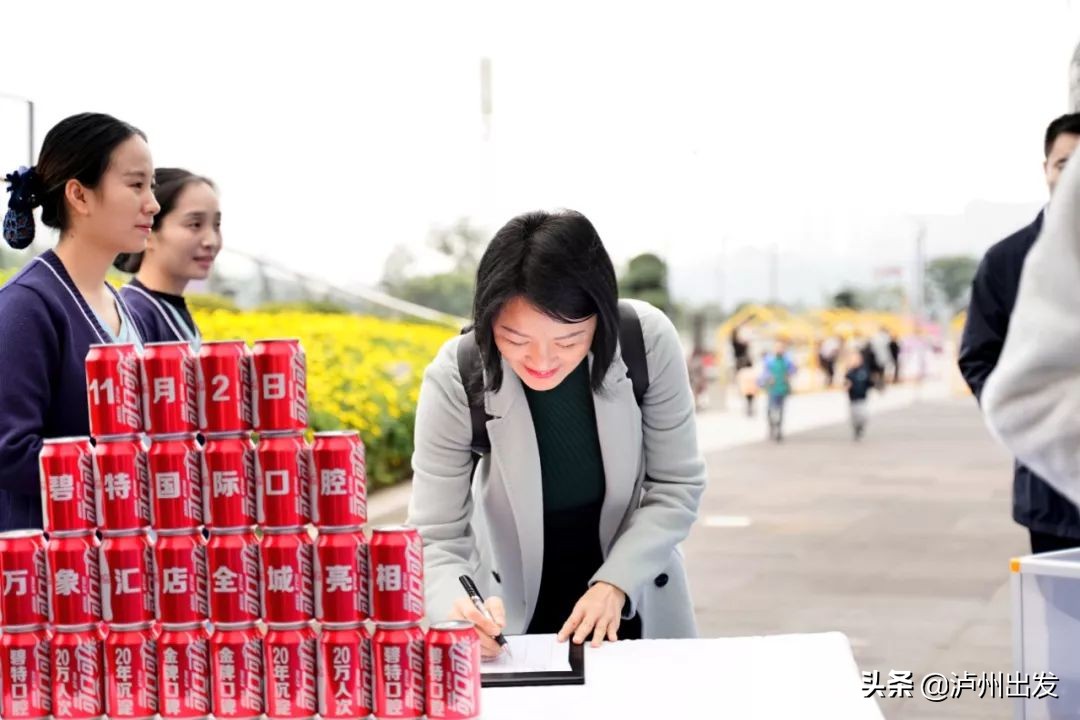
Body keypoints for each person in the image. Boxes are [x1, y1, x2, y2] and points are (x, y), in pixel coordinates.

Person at [407, 210, 707, 657]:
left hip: (633, 593)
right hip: (510, 613)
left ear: (599, 319)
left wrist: (615, 582)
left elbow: (675, 487)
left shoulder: (645, 342)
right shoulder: (457, 375)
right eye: (515, 339)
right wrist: (461, 615)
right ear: (487, 321)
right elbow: (435, 536)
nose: (542, 362)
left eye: (568, 341)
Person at [0, 112, 159, 530]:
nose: (153, 204)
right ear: (80, 195)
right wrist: (132, 472)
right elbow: (10, 451)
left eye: (153, 186)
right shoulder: (27, 307)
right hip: (49, 572)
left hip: (114, 565)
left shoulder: (119, 304)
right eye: (135, 184)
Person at [960, 112, 1080, 554]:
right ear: (1046, 168)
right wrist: (1035, 424)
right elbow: (979, 357)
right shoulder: (1006, 260)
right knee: (1062, 618)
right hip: (1050, 495)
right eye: (1065, 163)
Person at [114, 168, 221, 346]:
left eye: (216, 225)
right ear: (148, 232)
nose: (211, 240)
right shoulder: (134, 316)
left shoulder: (169, 309)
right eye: (195, 224)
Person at [759, 340, 796, 442]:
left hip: (783, 388)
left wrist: (788, 375)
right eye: (777, 347)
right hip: (772, 389)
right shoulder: (769, 360)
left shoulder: (787, 360)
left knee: (780, 410)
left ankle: (778, 430)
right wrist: (767, 379)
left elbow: (793, 370)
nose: (779, 349)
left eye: (781, 347)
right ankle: (771, 428)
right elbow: (763, 374)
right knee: (770, 410)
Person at [844, 350, 872, 440]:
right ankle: (857, 429)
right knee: (854, 417)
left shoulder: (864, 371)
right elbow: (846, 383)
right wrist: (847, 386)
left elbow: (869, 382)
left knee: (864, 416)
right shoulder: (849, 373)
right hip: (853, 399)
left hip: (862, 398)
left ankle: (861, 426)